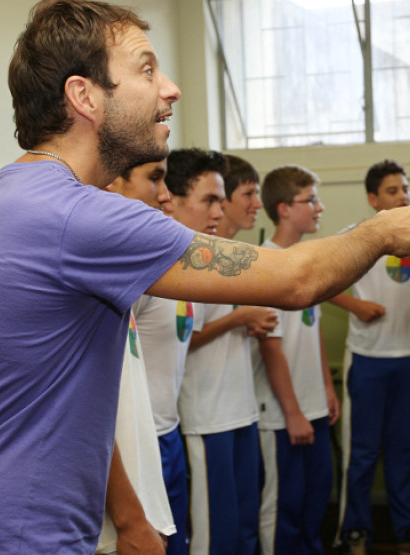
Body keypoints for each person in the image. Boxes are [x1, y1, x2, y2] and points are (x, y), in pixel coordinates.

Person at [0, 1, 410, 552]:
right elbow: (297, 280)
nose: (169, 88)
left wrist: (127, 517)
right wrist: (380, 232)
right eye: (147, 70)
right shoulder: (82, 217)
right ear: (85, 97)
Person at [332, 159, 410, 554]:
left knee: (402, 448)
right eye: (393, 190)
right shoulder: (355, 235)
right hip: (367, 360)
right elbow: (325, 281)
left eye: (405, 188)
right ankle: (354, 532)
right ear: (373, 198)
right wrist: (355, 306)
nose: (403, 196)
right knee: (362, 452)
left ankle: (408, 528)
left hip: (407, 360)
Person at [177, 152, 277, 555]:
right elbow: (188, 336)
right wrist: (240, 319)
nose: (256, 203)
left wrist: (246, 320)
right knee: (216, 533)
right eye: (247, 193)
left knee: (243, 525)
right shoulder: (193, 258)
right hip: (207, 412)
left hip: (242, 408)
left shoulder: (232, 256)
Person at [129, 148, 228, 555]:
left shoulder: (189, 267)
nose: (219, 213)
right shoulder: (141, 273)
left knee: (177, 545)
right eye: (210, 201)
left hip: (167, 432)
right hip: (139, 441)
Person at [253, 165, 340, 554]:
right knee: (284, 506)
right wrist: (292, 412)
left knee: (316, 499)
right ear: (284, 208)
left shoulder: (308, 259)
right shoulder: (266, 264)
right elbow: (271, 347)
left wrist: (326, 388)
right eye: (311, 200)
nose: (319, 208)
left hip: (314, 406)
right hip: (284, 415)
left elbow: (312, 329)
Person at [95, 159, 176, 555]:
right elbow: (85, 416)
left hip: (137, 497)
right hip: (110, 522)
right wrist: (129, 520)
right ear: (112, 184)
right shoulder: (88, 275)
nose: (165, 196)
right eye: (155, 179)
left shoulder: (121, 271)